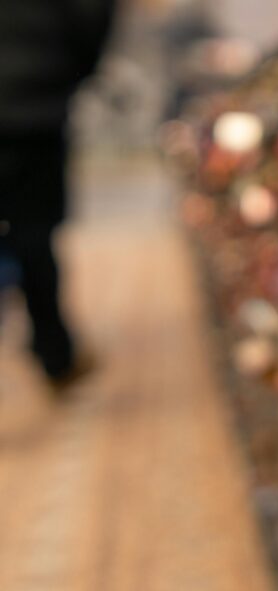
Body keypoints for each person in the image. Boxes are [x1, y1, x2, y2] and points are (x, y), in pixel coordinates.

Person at [0, 0, 118, 390]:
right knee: (34, 235)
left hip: (35, 101)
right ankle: (55, 355)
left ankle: (55, 352)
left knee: (33, 236)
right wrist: (65, 71)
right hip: (35, 102)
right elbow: (92, 15)